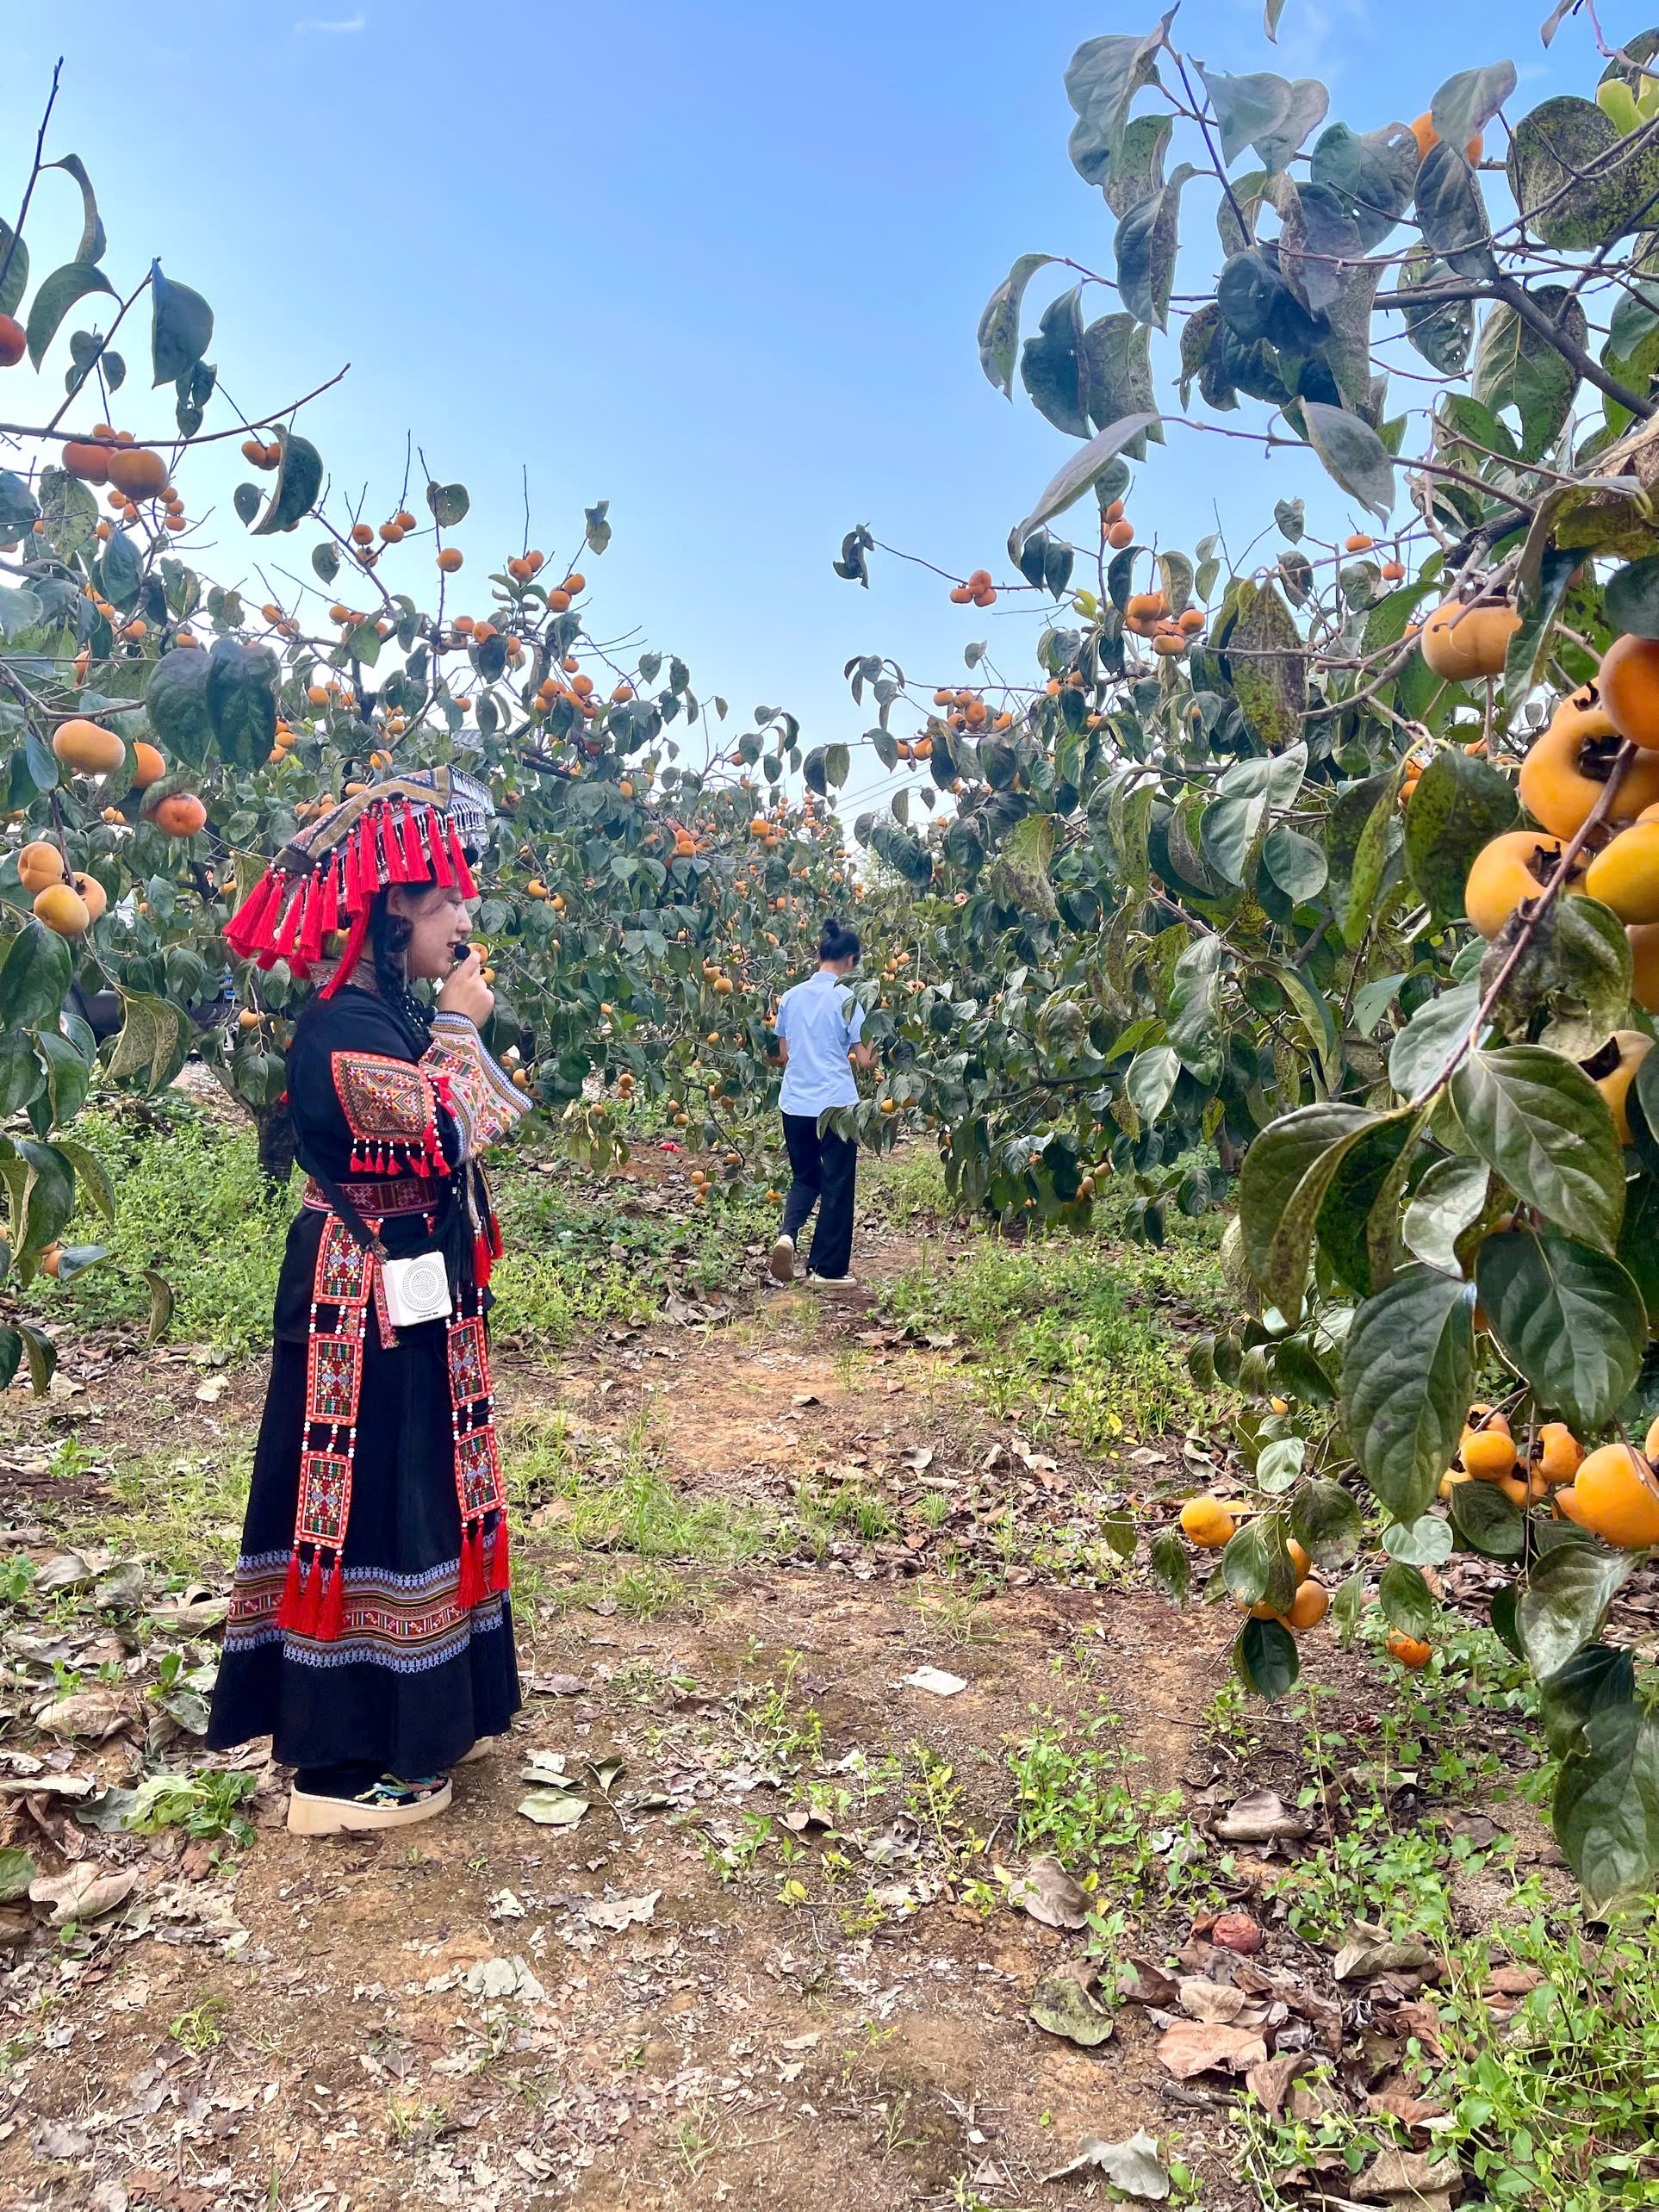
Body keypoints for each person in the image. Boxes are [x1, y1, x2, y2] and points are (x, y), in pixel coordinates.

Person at [207, 769, 531, 1836]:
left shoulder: (379, 1012)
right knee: (365, 1499)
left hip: (403, 1284)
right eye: (447, 903)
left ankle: (417, 1717)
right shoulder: (344, 1023)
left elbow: (442, 1139)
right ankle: (347, 1760)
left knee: (409, 1490)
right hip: (360, 1296)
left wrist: (445, 1024)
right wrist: (457, 1029)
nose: (464, 921)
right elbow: (439, 1135)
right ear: (398, 909)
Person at [769, 918, 875, 1290]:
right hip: (836, 1106)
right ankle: (826, 1271)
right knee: (837, 1182)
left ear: (818, 955)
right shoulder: (850, 998)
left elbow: (782, 1054)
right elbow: (865, 1061)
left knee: (805, 1177)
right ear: (850, 960)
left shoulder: (792, 996)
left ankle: (788, 1235)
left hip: (795, 1102)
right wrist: (879, 1032)